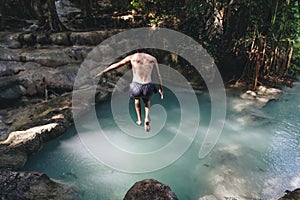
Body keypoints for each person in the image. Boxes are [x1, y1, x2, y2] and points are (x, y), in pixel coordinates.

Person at [94, 51, 163, 132]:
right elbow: (158, 75)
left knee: (137, 100)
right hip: (148, 86)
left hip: (136, 86)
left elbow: (117, 65)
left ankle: (139, 119)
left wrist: (103, 72)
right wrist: (160, 88)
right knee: (147, 101)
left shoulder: (133, 57)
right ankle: (147, 118)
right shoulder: (152, 59)